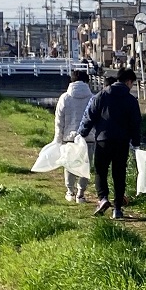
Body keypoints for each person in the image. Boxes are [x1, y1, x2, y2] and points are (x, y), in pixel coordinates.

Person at [78, 67, 141, 220]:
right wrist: (136, 142)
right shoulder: (131, 100)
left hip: (102, 140)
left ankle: (103, 199)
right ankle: (117, 208)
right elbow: (136, 123)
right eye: (132, 83)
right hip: (122, 142)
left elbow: (89, 116)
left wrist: (82, 133)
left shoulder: (101, 96)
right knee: (119, 174)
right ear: (128, 81)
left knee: (101, 171)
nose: (131, 86)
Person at [54, 70, 95, 203]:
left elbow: (59, 121)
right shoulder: (92, 98)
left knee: (69, 165)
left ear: (71, 81)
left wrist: (58, 139)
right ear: (87, 81)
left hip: (69, 138)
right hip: (88, 138)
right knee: (85, 166)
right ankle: (81, 194)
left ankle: (70, 192)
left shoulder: (64, 98)